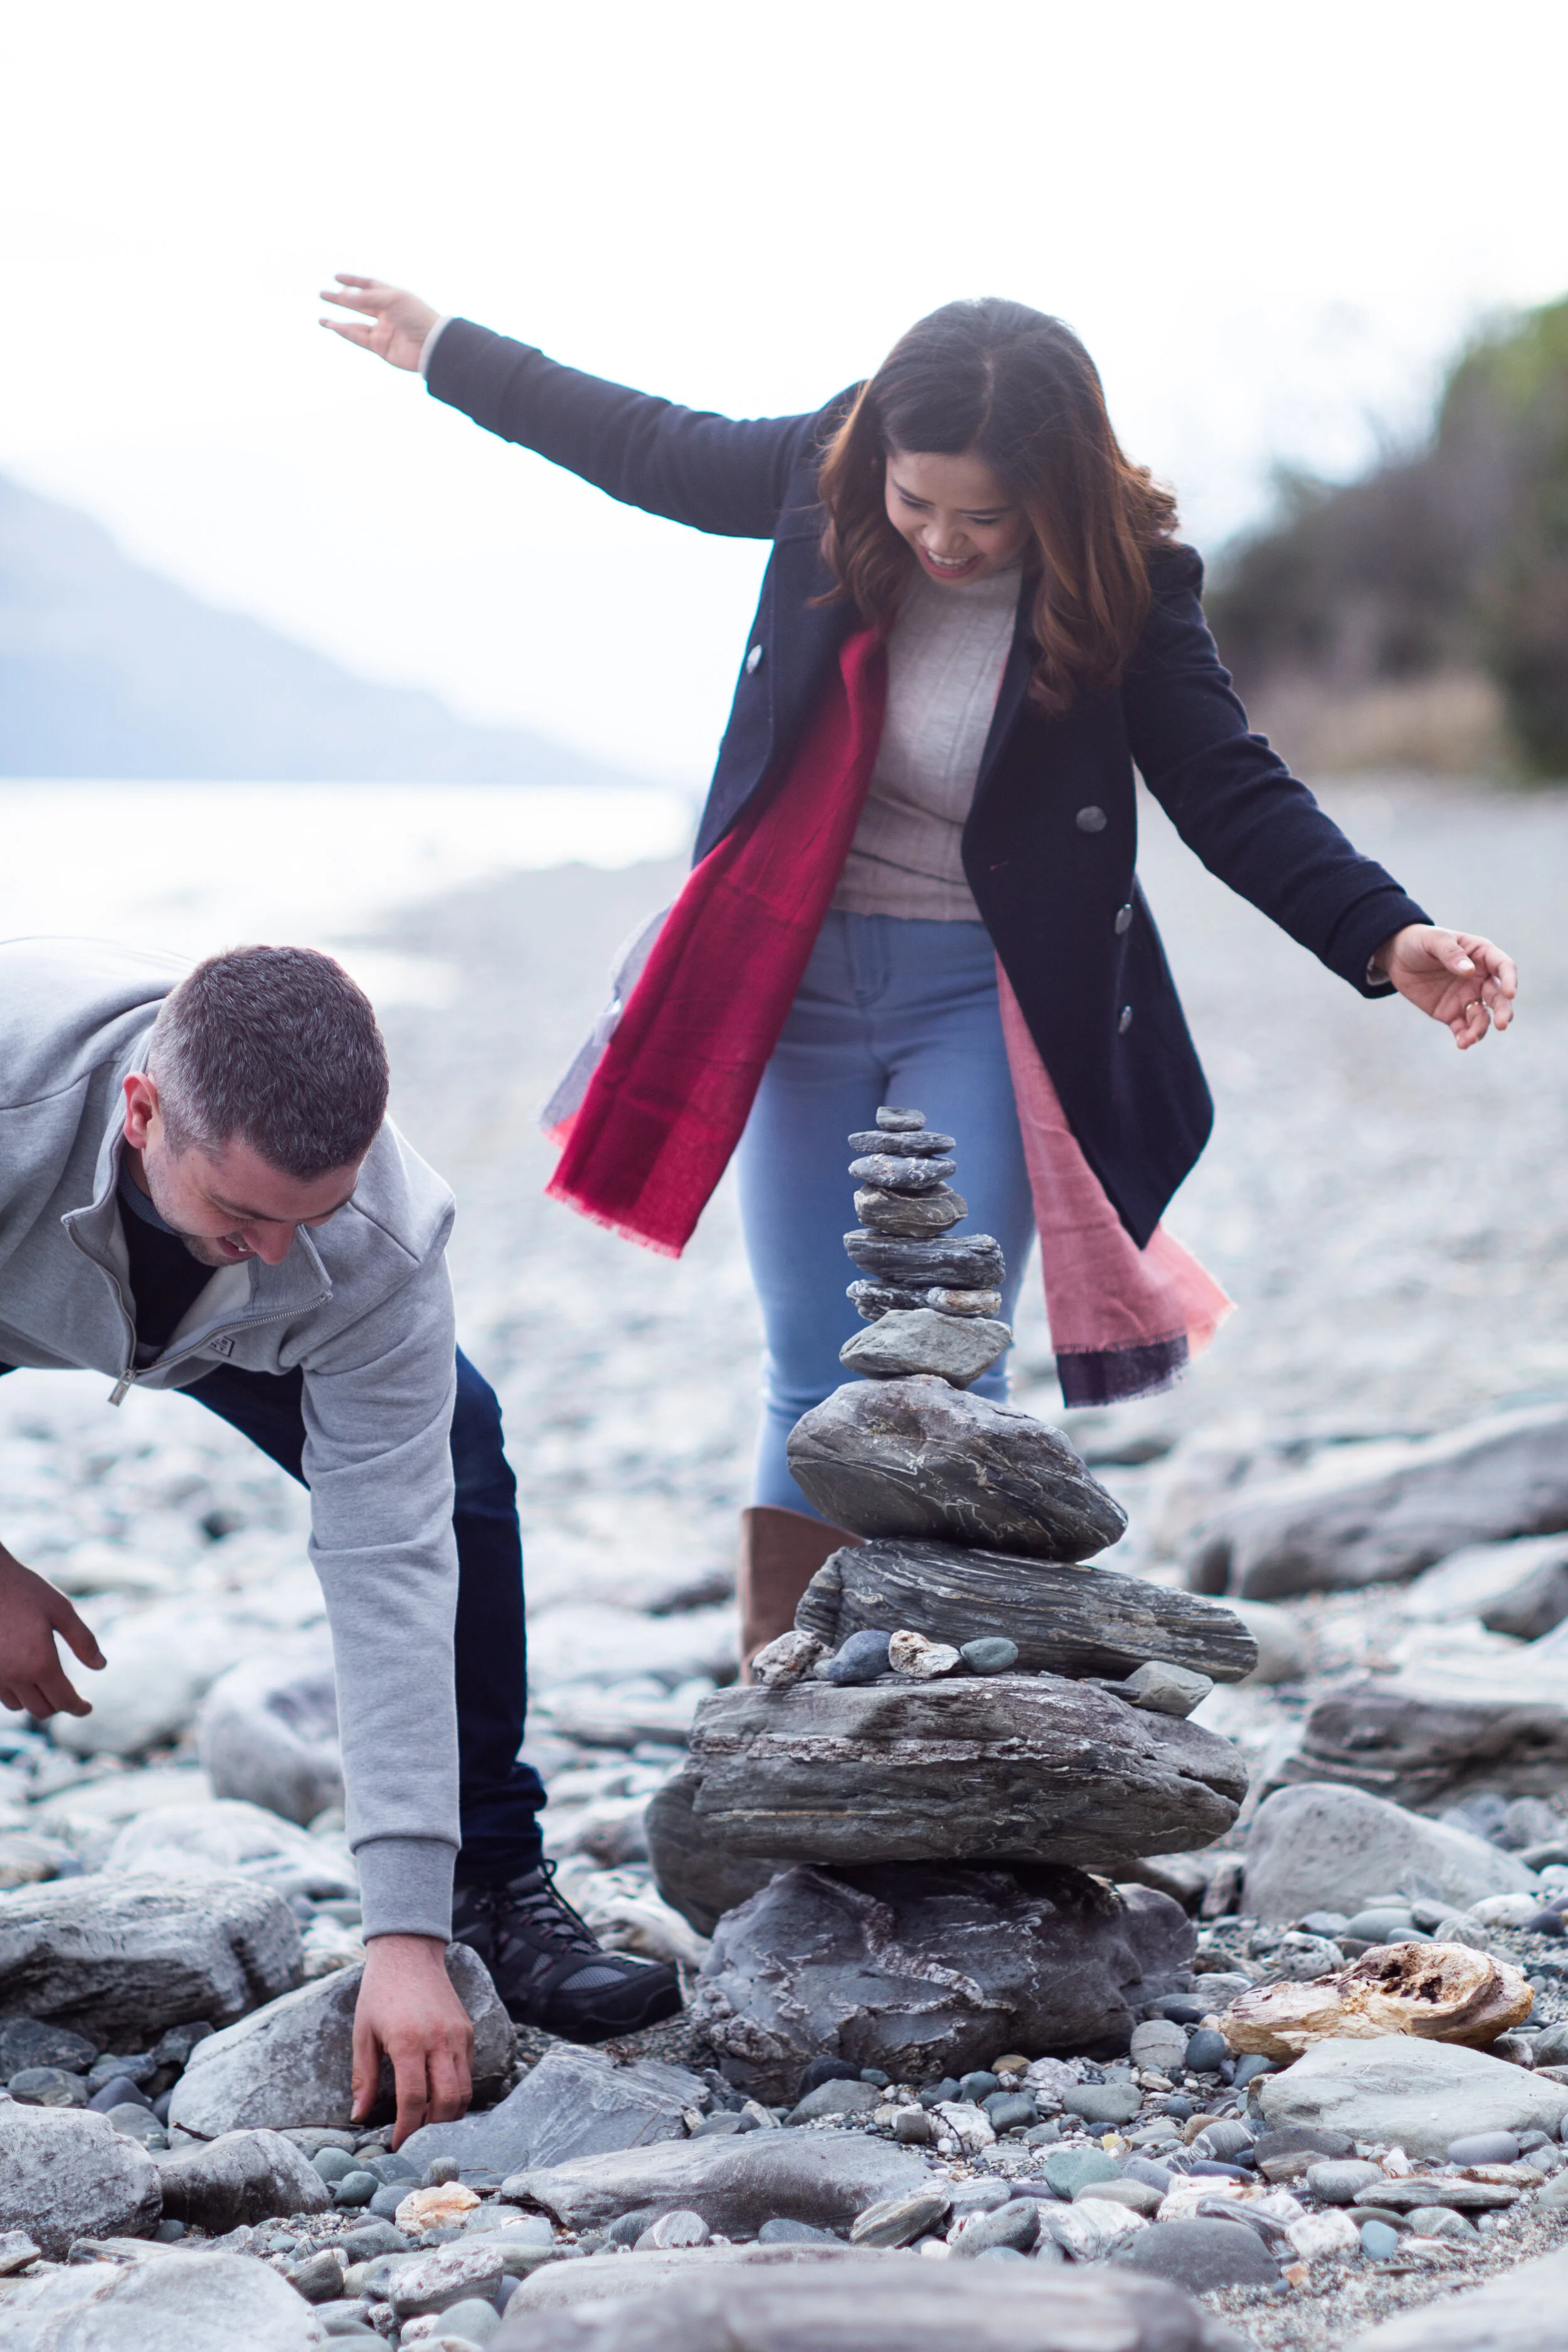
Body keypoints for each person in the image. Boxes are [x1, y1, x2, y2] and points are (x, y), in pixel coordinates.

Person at [322, 278, 1518, 1668]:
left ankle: (946, 1676)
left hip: (983, 993)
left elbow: (1227, 790)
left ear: (1053, 496)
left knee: (948, 1353)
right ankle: (794, 1690)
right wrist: (451, 355)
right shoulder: (817, 472)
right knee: (807, 1364)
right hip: (792, 980)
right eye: (915, 503)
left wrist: (1385, 936)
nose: (942, 540)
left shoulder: (1127, 583)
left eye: (983, 516)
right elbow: (643, 443)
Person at [0, 939, 679, 2142]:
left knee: (459, 1461)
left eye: (306, 1215)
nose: (279, 1254)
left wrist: (404, 1932)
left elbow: (391, 1566)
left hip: (201, 1325)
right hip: (23, 1243)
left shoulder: (369, 1242)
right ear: (141, 1111)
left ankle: (487, 1882)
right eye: (243, 1213)